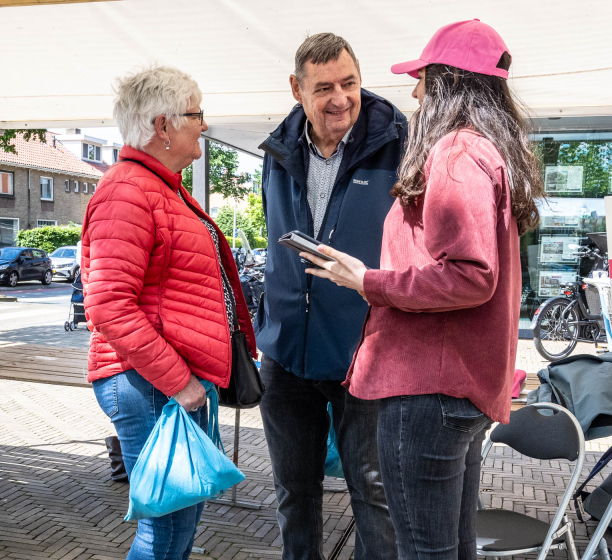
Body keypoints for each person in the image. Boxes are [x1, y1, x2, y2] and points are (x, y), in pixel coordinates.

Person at [302, 20, 543, 559]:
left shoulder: (457, 153)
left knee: (423, 549)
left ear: (447, 84)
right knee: (452, 546)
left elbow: (469, 275)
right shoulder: (487, 151)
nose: (414, 92)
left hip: (427, 387)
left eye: (423, 79)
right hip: (455, 384)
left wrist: (367, 280)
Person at [81, 64, 256, 560]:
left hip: (166, 383)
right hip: (153, 386)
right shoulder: (129, 191)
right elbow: (110, 304)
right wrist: (180, 383)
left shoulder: (160, 187)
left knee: (177, 527)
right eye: (196, 115)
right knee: (164, 531)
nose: (203, 125)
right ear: (163, 125)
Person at [255, 32, 404, 560]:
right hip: (285, 356)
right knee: (294, 494)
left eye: (349, 83)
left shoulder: (401, 145)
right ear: (297, 89)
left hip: (364, 354)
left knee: (374, 495)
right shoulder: (276, 151)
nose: (340, 98)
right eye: (324, 88)